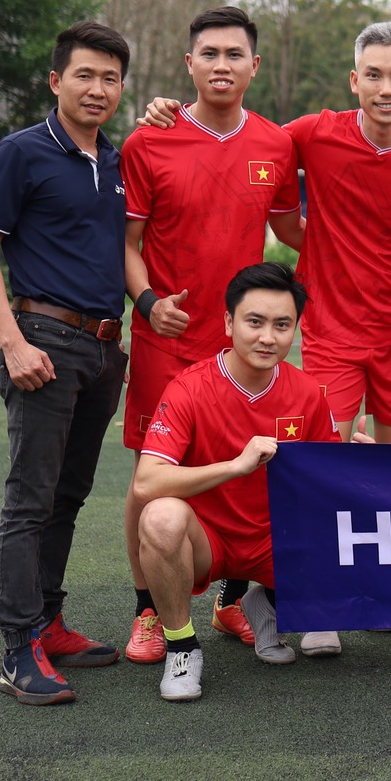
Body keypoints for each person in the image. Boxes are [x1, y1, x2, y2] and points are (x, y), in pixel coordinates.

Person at [142, 21, 391, 659]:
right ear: (354, 81)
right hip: (330, 331)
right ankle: (314, 601)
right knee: (319, 471)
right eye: (373, 75)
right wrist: (172, 109)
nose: (385, 87)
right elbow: (238, 129)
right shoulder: (312, 133)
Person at [118, 6, 305, 668]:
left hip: (246, 343)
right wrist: (147, 303)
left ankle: (232, 599)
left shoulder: (276, 144)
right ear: (189, 64)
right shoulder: (149, 141)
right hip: (167, 340)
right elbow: (128, 243)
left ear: (255, 65)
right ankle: (148, 610)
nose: (222, 65)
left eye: (234, 54)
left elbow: (294, 229)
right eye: (210, 54)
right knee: (150, 481)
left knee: (250, 467)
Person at [0, 21, 133, 705]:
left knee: (69, 495)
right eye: (85, 75)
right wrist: (13, 342)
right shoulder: (22, 152)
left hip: (104, 349)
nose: (98, 89)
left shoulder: (115, 160)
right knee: (30, 500)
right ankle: (18, 648)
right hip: (43, 340)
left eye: (111, 78)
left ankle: (49, 622)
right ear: (56, 80)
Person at [132, 263, 343, 701]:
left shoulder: (307, 393)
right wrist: (234, 466)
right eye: (255, 322)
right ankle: (182, 648)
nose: (268, 337)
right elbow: (146, 483)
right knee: (160, 517)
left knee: (347, 528)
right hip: (207, 541)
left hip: (274, 541)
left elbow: (333, 482)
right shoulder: (189, 387)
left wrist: (364, 463)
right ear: (229, 323)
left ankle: (265, 603)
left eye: (282, 325)